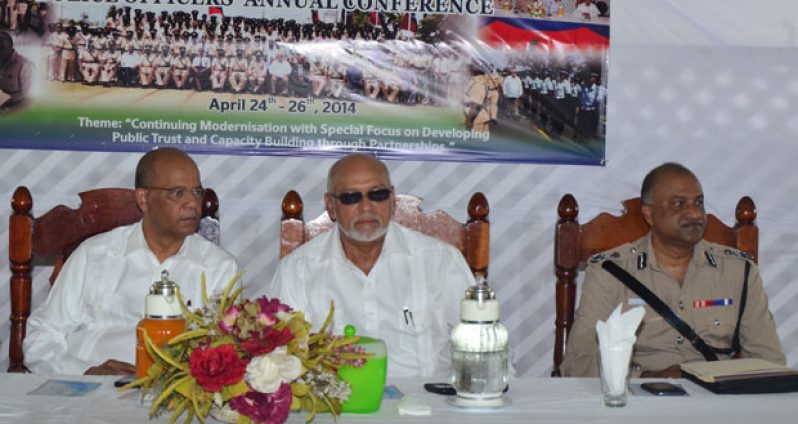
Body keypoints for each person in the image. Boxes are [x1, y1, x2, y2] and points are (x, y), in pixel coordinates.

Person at [24, 148, 241, 375]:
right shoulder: (95, 255)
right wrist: (85, 372)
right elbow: (42, 336)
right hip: (91, 393)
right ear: (143, 199)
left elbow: (226, 355)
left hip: (179, 400)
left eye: (196, 192)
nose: (192, 203)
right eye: (178, 193)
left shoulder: (220, 268)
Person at [562, 163, 785, 378]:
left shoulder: (739, 271)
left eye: (698, 203)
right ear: (649, 214)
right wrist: (645, 378)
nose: (695, 214)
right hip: (637, 401)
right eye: (678, 204)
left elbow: (769, 362)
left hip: (714, 405)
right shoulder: (609, 272)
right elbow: (578, 363)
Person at [266, 154, 475, 378]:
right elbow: (277, 359)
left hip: (426, 405)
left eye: (378, 195)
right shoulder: (298, 269)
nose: (366, 207)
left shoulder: (441, 261)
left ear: (392, 198)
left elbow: (482, 347)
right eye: (351, 198)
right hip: (334, 407)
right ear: (331, 206)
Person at [0, 30, 32, 111]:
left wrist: (8, 109)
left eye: (2, 48)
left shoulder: (25, 66)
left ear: (11, 49)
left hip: (13, 109)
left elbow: (29, 100)